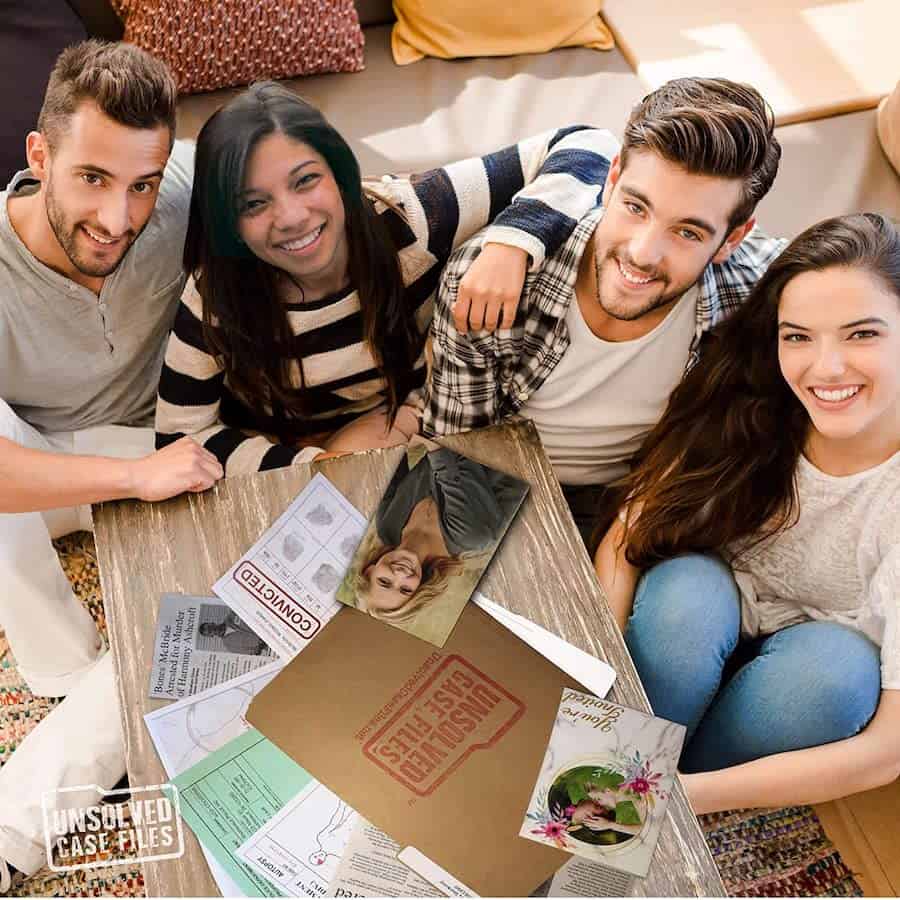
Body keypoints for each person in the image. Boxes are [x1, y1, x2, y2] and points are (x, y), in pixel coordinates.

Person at [0, 41, 223, 890]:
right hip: (43, 465)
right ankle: (61, 663)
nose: (118, 218)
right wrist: (133, 480)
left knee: (206, 616)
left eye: (141, 185)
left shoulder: (185, 189)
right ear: (39, 156)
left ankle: (14, 825)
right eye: (92, 178)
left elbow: (329, 198)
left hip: (159, 442)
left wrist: (514, 238)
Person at [594, 214, 900, 813]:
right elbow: (630, 531)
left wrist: (677, 799)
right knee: (688, 593)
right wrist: (595, 683)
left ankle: (649, 803)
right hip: (705, 605)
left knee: (836, 676)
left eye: (862, 334)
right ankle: (607, 773)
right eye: (798, 336)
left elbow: (888, 752)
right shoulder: (759, 396)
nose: (826, 368)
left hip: (821, 663)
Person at [155, 82, 619, 472]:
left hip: (409, 421)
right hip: (290, 459)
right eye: (254, 204)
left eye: (306, 181)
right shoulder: (217, 294)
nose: (292, 216)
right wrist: (316, 463)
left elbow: (589, 142)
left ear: (340, 173)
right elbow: (179, 439)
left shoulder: (411, 220)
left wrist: (514, 242)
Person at [423, 77, 787, 548]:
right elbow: (459, 450)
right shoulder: (492, 281)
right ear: (611, 180)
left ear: (731, 240)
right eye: (636, 207)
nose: (642, 253)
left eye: (688, 233)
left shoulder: (756, 291)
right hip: (501, 488)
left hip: (636, 502)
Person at [352, 446, 527, 622]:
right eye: (405, 589)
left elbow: (388, 455)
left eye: (384, 581)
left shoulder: (387, 527)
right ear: (419, 588)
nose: (400, 574)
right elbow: (452, 451)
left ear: (369, 571)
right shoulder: (469, 537)